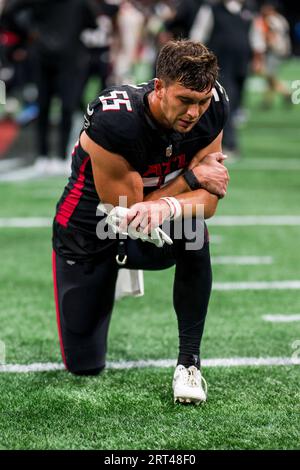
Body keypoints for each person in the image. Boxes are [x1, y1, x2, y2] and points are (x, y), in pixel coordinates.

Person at [52, 39, 230, 405]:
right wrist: (191, 180)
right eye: (185, 100)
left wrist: (169, 204)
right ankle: (104, 283)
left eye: (202, 101)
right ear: (159, 87)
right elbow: (133, 215)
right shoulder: (115, 119)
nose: (195, 112)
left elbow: (208, 204)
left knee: (194, 232)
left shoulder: (214, 105)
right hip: (91, 227)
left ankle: (189, 363)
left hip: (151, 223)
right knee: (84, 366)